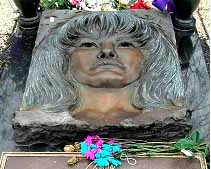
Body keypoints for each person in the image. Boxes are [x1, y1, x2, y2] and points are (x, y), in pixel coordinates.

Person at [21, 11, 185, 124]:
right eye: (88, 44)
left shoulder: (167, 115)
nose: (107, 51)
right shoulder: (37, 116)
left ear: (149, 57)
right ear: (63, 59)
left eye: (125, 44)